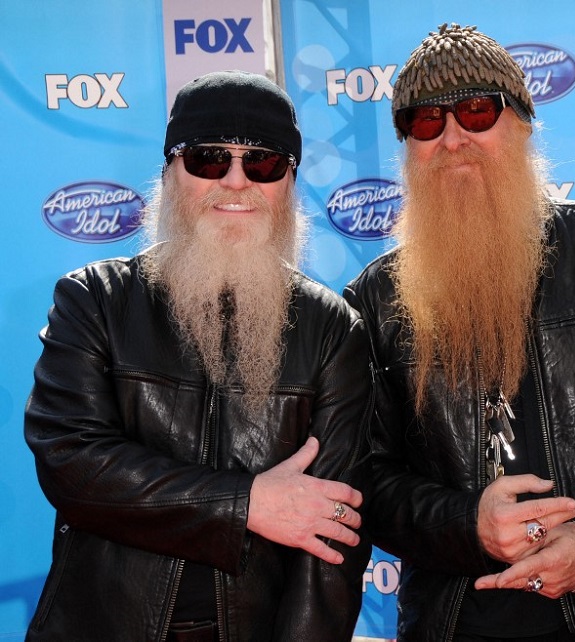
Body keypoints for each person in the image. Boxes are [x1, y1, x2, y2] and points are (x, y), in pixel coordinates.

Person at [24, 70, 371, 641]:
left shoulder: (332, 328)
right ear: (169, 173)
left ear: (288, 182)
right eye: (208, 159)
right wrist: (246, 504)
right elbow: (73, 464)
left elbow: (333, 538)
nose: (235, 181)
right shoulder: (95, 300)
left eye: (262, 163)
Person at [343, 23, 575, 641]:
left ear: (521, 123)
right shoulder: (377, 298)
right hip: (450, 624)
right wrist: (469, 524)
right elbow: (366, 481)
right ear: (408, 147)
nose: (453, 138)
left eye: (476, 112)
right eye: (427, 122)